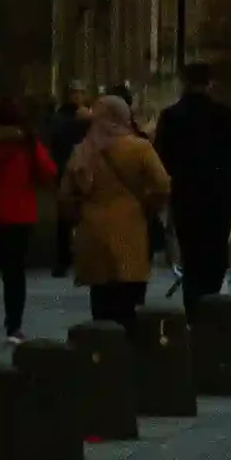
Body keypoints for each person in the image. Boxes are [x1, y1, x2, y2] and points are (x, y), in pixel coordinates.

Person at [57, 93, 172, 330]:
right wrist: (148, 207)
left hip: (92, 231)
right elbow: (162, 185)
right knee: (127, 302)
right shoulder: (139, 148)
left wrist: (78, 217)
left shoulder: (83, 150)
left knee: (100, 302)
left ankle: (101, 352)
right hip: (130, 230)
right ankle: (125, 354)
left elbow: (66, 195)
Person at [153, 60, 231, 310]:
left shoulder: (171, 116)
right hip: (218, 193)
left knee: (191, 253)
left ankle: (193, 305)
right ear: (210, 83)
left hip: (187, 193)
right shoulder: (224, 115)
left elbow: (161, 157)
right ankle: (212, 305)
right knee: (216, 251)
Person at [0, 96, 56, 339]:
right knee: (14, 275)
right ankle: (13, 327)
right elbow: (48, 172)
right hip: (18, 216)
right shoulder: (27, 144)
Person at [45, 86, 90, 278]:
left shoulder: (89, 116)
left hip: (84, 171)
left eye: (81, 92)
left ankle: (82, 257)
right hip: (65, 170)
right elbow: (58, 139)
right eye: (74, 92)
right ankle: (64, 259)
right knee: (64, 219)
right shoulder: (61, 118)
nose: (77, 96)